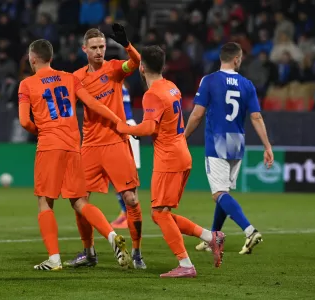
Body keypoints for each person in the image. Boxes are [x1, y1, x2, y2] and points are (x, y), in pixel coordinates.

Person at [18, 39, 130, 270]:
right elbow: (94, 104)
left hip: (49, 145)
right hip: (73, 145)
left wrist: (40, 130)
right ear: (51, 57)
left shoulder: (27, 84)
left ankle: (54, 259)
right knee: (79, 201)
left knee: (45, 202)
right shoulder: (71, 78)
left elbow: (24, 121)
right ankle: (111, 236)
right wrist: (119, 120)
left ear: (33, 59)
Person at [116, 45, 225, 278]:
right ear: (162, 65)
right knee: (161, 213)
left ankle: (186, 264)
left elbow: (148, 127)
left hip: (169, 159)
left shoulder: (152, 93)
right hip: (181, 154)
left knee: (159, 214)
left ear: (142, 68)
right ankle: (210, 236)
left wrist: (123, 127)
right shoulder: (172, 87)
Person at [65, 23, 145, 269]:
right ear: (84, 50)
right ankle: (89, 253)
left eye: (102, 46)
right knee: (79, 200)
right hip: (90, 145)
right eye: (95, 48)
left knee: (131, 199)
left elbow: (135, 63)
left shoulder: (114, 68)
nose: (100, 51)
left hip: (115, 142)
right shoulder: (76, 78)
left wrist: (127, 45)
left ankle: (137, 253)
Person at [184, 42, 274, 254]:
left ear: (222, 58)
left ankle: (250, 231)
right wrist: (267, 146)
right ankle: (213, 237)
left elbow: (197, 114)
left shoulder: (209, 80)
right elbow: (256, 116)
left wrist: (184, 136)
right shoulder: (247, 84)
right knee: (222, 192)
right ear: (236, 59)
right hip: (237, 142)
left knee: (219, 194)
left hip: (217, 141)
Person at [110, 83, 140, 229]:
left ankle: (128, 214)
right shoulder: (120, 86)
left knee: (123, 176)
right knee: (124, 176)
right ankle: (126, 213)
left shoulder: (113, 87)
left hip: (123, 127)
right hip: (128, 126)